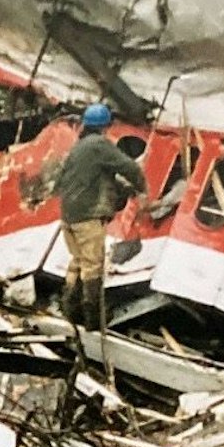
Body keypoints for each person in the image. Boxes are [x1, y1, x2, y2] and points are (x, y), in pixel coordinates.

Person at [52, 103, 145, 326]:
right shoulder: (100, 146)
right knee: (93, 264)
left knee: (78, 261)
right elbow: (127, 166)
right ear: (105, 126)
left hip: (68, 216)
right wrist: (143, 188)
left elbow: (65, 180)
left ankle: (69, 308)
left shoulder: (78, 147)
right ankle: (93, 317)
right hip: (88, 216)